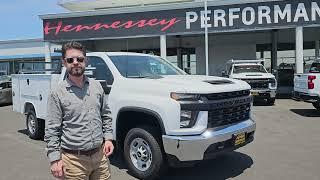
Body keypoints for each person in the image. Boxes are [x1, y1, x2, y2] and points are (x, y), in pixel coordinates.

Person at [45, 41, 114, 180]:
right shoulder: (57, 93)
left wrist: (108, 139)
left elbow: (105, 115)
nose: (76, 62)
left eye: (80, 59)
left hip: (100, 156)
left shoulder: (96, 87)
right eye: (70, 60)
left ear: (86, 61)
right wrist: (54, 159)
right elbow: (52, 129)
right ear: (64, 62)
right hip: (73, 161)